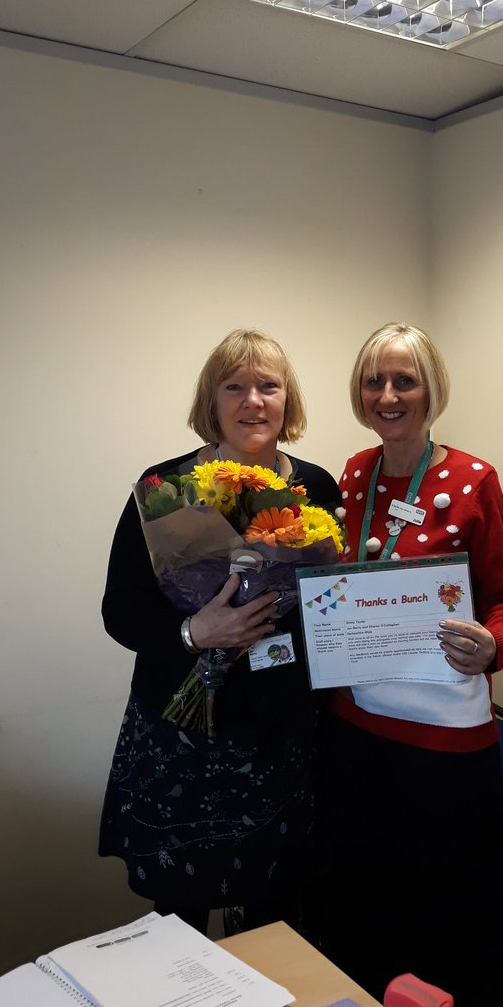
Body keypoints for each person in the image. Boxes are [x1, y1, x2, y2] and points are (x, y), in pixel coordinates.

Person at [306, 321, 503, 1004]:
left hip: (442, 745)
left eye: (404, 379)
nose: (388, 393)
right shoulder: (352, 473)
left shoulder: (472, 480)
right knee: (357, 907)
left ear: (430, 390)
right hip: (354, 731)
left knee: (435, 918)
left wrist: (494, 645)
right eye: (375, 380)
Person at [99, 330, 340, 934]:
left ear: (289, 400)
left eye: (269, 386)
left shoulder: (318, 485)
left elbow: (327, 602)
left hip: (277, 732)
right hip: (181, 729)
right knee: (179, 913)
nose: (252, 401)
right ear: (212, 402)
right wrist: (194, 631)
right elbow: (119, 609)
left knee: (274, 910)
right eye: (234, 387)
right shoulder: (164, 489)